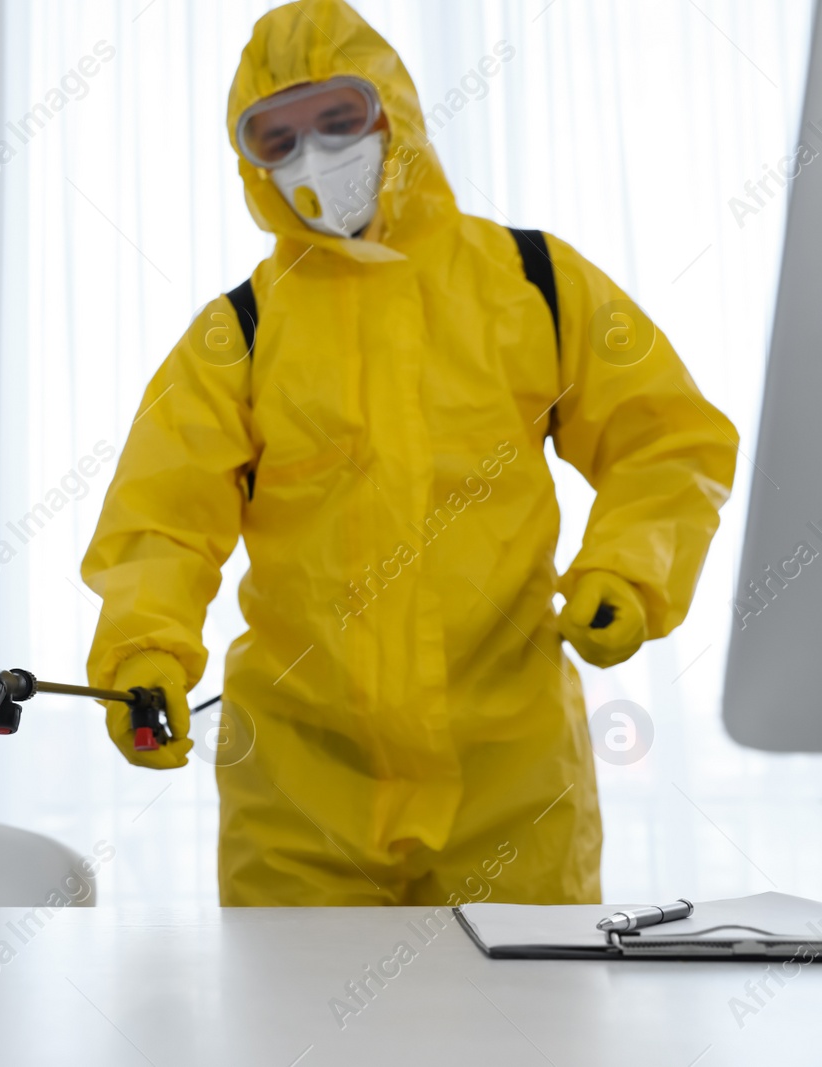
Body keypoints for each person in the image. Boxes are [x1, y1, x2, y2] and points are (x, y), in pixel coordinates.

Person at [80, 0, 738, 907]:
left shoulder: (535, 282)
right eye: (279, 137)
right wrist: (144, 652)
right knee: (301, 1041)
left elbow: (666, 437)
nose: (313, 156)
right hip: (300, 796)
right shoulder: (240, 332)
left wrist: (629, 571)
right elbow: (161, 518)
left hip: (510, 776)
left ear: (394, 112)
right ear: (252, 161)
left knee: (519, 1043)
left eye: (338, 120)